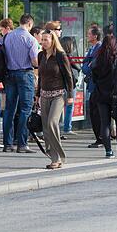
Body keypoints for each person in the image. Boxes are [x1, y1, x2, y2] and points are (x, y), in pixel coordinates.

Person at [36, 30, 74, 169]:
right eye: (42, 40)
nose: (43, 42)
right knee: (46, 128)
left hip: (58, 94)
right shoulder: (41, 55)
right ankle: (54, 159)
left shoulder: (60, 55)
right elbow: (40, 76)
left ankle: (59, 155)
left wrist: (70, 95)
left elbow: (68, 76)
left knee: (52, 123)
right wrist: (37, 94)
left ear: (53, 41)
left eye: (46, 40)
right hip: (44, 94)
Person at [2, 14, 40, 154]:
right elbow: (35, 61)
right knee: (25, 109)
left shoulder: (8, 37)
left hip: (10, 74)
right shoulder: (30, 39)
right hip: (25, 74)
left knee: (9, 109)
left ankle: (7, 143)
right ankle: (22, 143)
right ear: (30, 24)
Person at [90, 34, 117, 159]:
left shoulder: (98, 60)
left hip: (101, 94)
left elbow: (94, 77)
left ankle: (108, 151)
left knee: (105, 123)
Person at [82, 26, 103, 148]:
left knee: (96, 112)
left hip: (97, 85)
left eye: (89, 34)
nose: (87, 36)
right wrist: (86, 66)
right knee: (93, 111)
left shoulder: (99, 49)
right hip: (92, 85)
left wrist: (87, 66)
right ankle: (99, 137)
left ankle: (101, 138)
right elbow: (85, 66)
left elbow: (90, 67)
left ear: (95, 36)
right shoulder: (91, 49)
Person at [60, 36, 81, 138]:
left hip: (64, 84)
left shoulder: (60, 56)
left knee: (63, 107)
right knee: (69, 106)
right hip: (69, 84)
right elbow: (76, 68)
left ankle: (65, 127)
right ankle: (67, 127)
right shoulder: (68, 57)